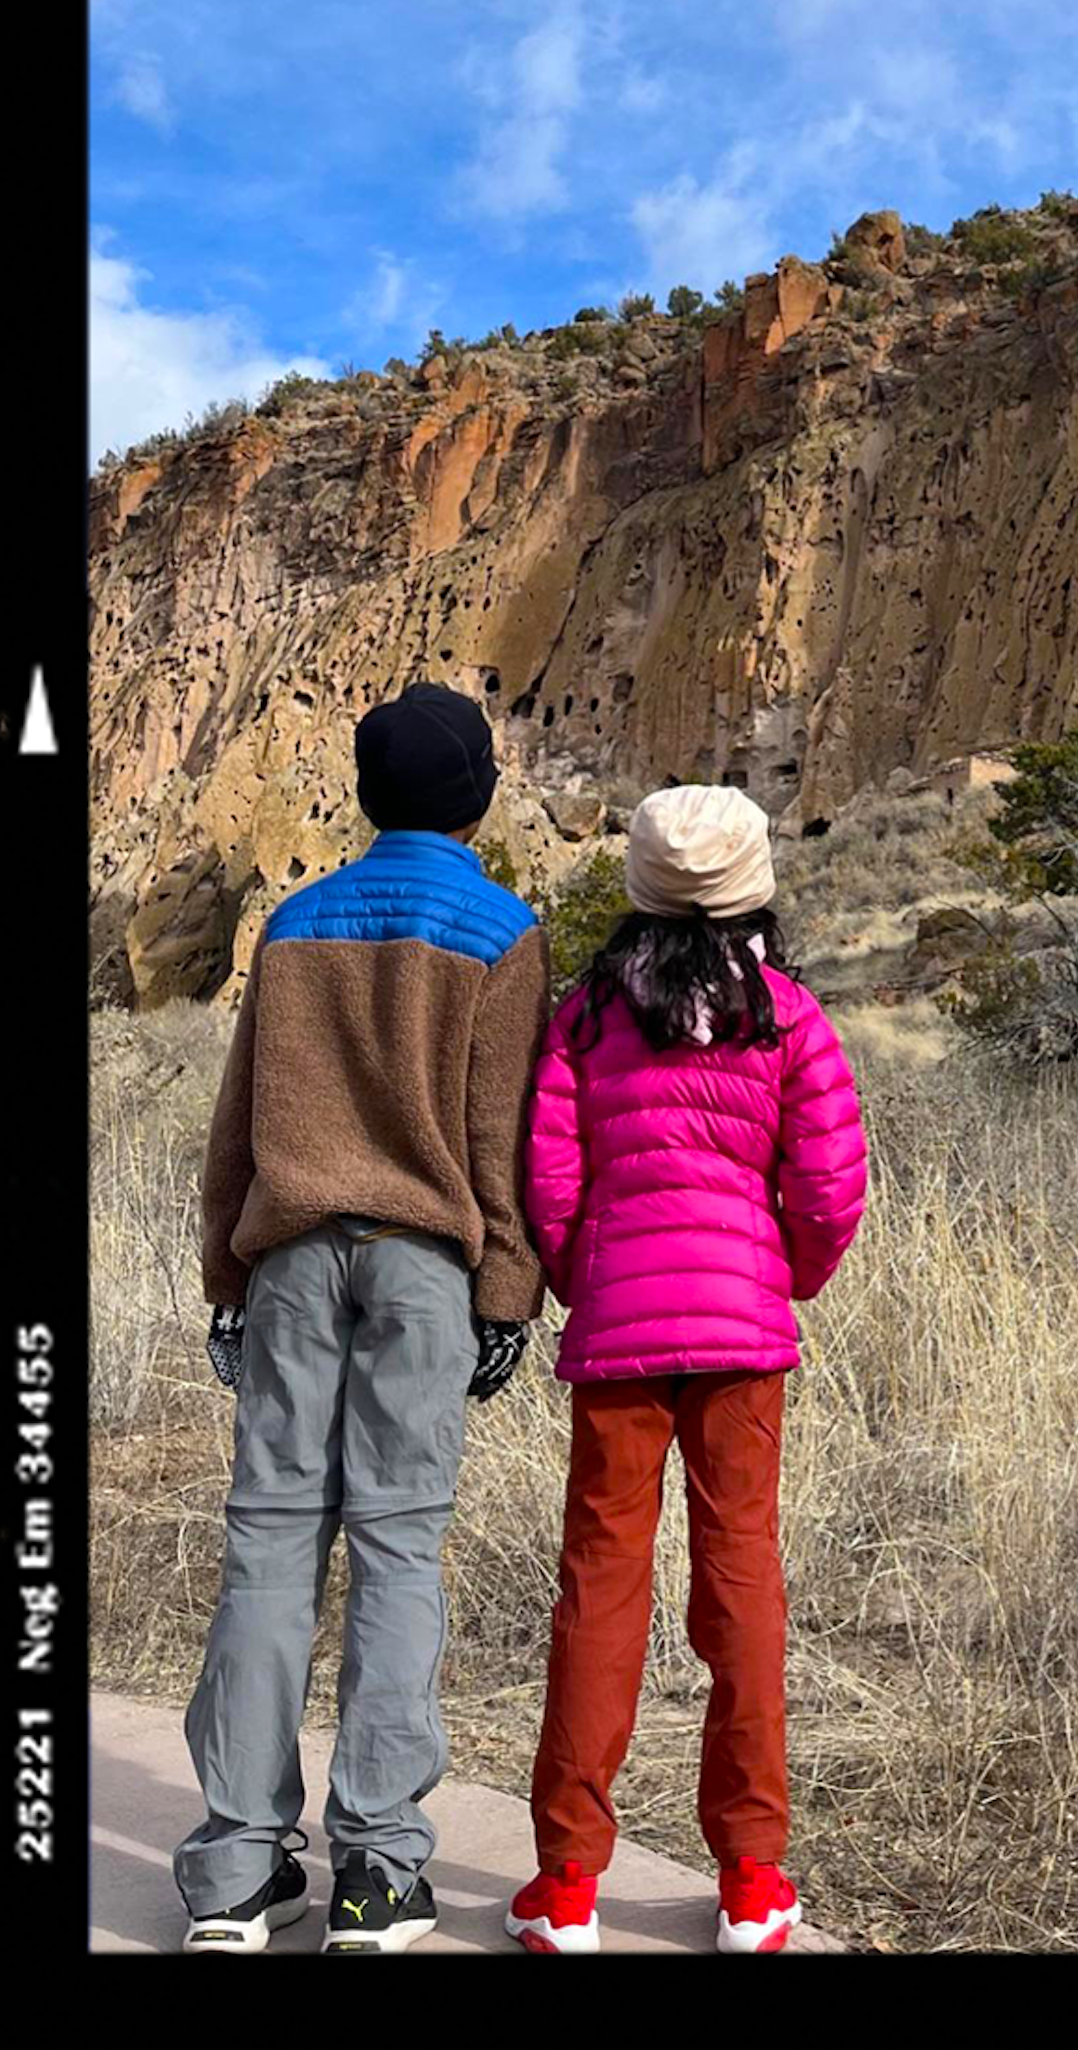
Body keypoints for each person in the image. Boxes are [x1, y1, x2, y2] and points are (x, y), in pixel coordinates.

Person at [179, 681, 549, 1953]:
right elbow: (501, 1142)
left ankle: (233, 1866)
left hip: (287, 1263)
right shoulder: (504, 931)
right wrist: (507, 1292)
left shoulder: (293, 924)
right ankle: (378, 1871)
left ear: (365, 792)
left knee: (269, 1544)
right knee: (397, 1549)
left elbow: (239, 1124)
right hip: (423, 1274)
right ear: (479, 795)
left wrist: (228, 1278)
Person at [504, 786, 867, 1957]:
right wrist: (784, 1276)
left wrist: (586, 1278)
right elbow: (827, 1186)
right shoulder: (791, 1018)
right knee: (742, 1584)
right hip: (742, 1339)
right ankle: (754, 1879)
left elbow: (550, 1181)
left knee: (599, 1588)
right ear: (754, 887)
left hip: (619, 1335)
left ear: (642, 894)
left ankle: (566, 1887)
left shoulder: (587, 1018)